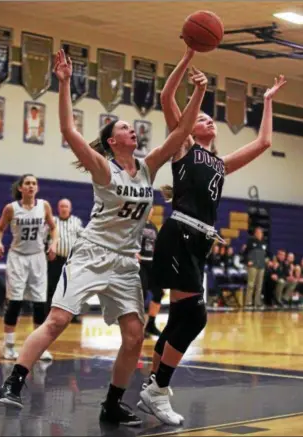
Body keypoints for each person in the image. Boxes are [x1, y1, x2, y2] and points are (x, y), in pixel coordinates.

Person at [0, 48, 208, 426]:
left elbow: (180, 133)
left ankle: (112, 404)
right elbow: (67, 131)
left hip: (125, 262)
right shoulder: (103, 168)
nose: (132, 130)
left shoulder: (147, 166)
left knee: (133, 336)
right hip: (92, 253)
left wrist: (198, 93)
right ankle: (14, 381)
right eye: (124, 128)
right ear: (112, 141)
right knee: (58, 320)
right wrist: (63, 85)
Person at [138, 48, 287, 425]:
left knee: (178, 320)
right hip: (181, 231)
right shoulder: (184, 146)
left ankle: (154, 384)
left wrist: (267, 102)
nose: (207, 120)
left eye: (207, 117)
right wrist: (188, 60)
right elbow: (166, 98)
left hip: (199, 240)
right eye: (201, 117)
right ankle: (157, 389)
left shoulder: (220, 164)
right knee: (194, 316)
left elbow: (264, 142)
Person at [0, 174, 58, 360]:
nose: (31, 186)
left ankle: (39, 348)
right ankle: (9, 346)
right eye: (28, 183)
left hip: (37, 257)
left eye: (34, 183)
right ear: (21, 188)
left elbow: (53, 227)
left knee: (39, 304)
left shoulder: (44, 206)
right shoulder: (11, 208)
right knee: (15, 302)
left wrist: (53, 244)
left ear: (37, 188)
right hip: (18, 258)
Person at [47, 198, 83, 322]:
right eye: (61, 206)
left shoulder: (76, 221)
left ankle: (72, 315)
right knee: (52, 287)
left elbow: (83, 239)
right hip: (54, 261)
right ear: (58, 208)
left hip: (70, 261)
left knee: (71, 288)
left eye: (66, 206)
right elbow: (45, 238)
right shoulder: (53, 221)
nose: (64, 209)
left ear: (70, 208)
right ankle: (49, 314)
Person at [137, 207, 164, 337]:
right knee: (140, 295)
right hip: (140, 264)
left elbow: (157, 246)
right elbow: (126, 240)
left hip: (152, 263)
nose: (149, 211)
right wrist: (132, 252)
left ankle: (151, 325)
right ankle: (138, 327)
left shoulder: (153, 226)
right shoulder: (135, 224)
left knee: (159, 293)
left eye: (151, 210)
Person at [244, 227, 267, 308]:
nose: (258, 234)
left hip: (261, 266)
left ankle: (257, 302)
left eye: (260, 232)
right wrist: (248, 261)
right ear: (255, 233)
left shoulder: (264, 242)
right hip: (253, 265)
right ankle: (248, 302)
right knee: (251, 284)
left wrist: (268, 260)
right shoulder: (251, 241)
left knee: (259, 285)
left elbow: (266, 254)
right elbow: (245, 252)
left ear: (262, 234)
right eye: (257, 232)